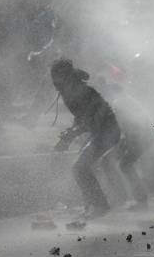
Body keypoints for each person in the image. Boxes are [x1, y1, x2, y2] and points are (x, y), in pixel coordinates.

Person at [50, 59, 120, 218]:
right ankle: (92, 205)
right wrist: (70, 133)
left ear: (65, 76)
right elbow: (80, 118)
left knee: (79, 167)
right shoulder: (70, 91)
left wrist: (70, 136)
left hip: (107, 131)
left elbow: (90, 119)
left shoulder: (79, 91)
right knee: (80, 167)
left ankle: (100, 206)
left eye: (55, 76)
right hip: (101, 131)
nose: (53, 80)